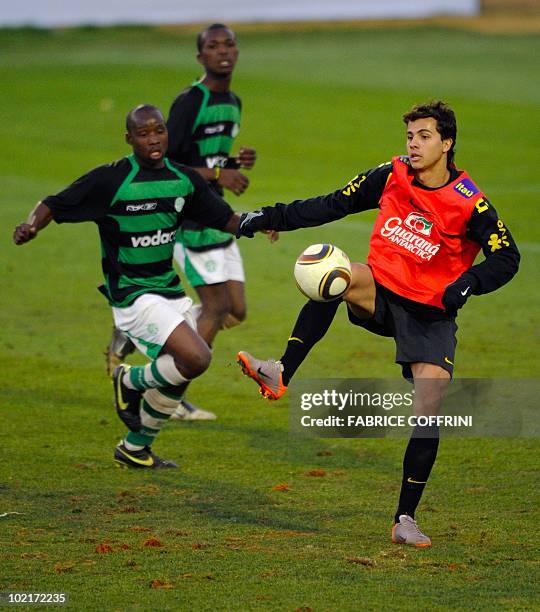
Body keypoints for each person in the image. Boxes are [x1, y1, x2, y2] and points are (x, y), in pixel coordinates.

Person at [235, 101, 520, 545]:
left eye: (424, 136)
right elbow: (328, 205)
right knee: (333, 272)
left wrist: (467, 284)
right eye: (410, 136)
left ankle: (404, 519)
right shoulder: (390, 175)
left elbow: (507, 257)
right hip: (382, 290)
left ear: (447, 143)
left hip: (431, 313)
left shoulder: (470, 202)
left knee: (428, 411)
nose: (413, 144)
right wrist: (266, 218)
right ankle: (282, 369)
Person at [13, 104, 243, 469]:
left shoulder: (183, 178)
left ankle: (135, 448)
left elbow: (226, 219)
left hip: (168, 289)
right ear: (129, 138)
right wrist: (31, 226)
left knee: (180, 372)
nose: (153, 140)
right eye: (143, 133)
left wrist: (265, 222)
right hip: (132, 295)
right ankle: (129, 379)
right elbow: (55, 203)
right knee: (197, 356)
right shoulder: (111, 180)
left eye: (158, 131)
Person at [105, 23, 271, 421]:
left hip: (217, 212)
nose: (222, 51)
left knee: (236, 310)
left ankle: (137, 333)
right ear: (200, 57)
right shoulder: (189, 102)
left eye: (228, 43)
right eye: (212, 46)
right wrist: (218, 175)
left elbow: (206, 159)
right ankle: (169, 395)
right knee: (215, 308)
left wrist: (231, 165)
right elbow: (166, 163)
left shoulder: (233, 102)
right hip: (192, 217)